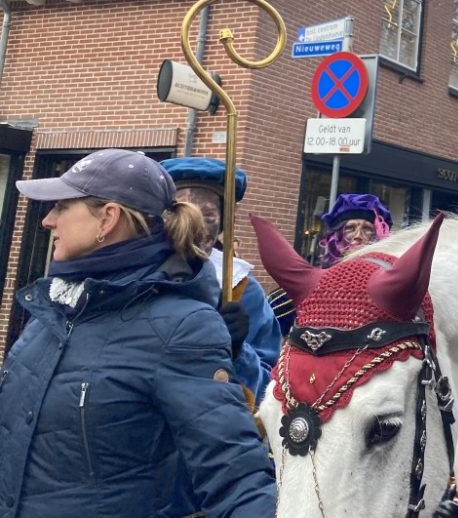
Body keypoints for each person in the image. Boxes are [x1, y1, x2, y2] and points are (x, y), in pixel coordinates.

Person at [0, 149, 276, 517]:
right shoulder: (56, 307)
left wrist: (239, 350)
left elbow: (235, 473)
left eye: (62, 207)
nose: (47, 221)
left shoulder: (181, 326)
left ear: (108, 219)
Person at [160, 156, 282, 403]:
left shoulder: (242, 289)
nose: (196, 228)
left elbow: (271, 392)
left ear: (223, 224)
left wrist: (238, 351)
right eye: (184, 213)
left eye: (208, 216)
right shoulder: (135, 273)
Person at [317, 192, 393, 267]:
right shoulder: (325, 274)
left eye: (367, 228)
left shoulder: (385, 272)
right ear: (337, 235)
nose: (358, 235)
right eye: (350, 228)